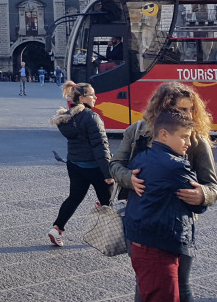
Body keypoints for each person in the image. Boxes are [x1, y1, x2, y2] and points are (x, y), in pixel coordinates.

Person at [111, 82, 217, 302]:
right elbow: (115, 165)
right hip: (142, 219)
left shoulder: (195, 139)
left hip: (178, 223)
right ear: (163, 109)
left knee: (181, 283)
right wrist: (129, 178)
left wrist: (203, 195)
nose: (189, 114)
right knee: (145, 281)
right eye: (182, 109)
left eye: (191, 109)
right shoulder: (137, 131)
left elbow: (212, 185)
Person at [123, 109, 206, 302]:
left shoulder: (141, 157)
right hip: (160, 245)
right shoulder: (177, 166)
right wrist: (201, 197)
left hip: (139, 240)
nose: (189, 143)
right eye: (184, 137)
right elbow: (198, 205)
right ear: (164, 134)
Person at [47, 81, 112, 247]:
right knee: (108, 202)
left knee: (74, 198)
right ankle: (109, 236)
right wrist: (108, 173)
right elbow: (100, 146)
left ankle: (57, 228)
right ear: (82, 98)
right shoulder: (92, 117)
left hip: (74, 164)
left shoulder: (67, 117)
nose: (95, 97)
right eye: (91, 95)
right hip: (94, 167)